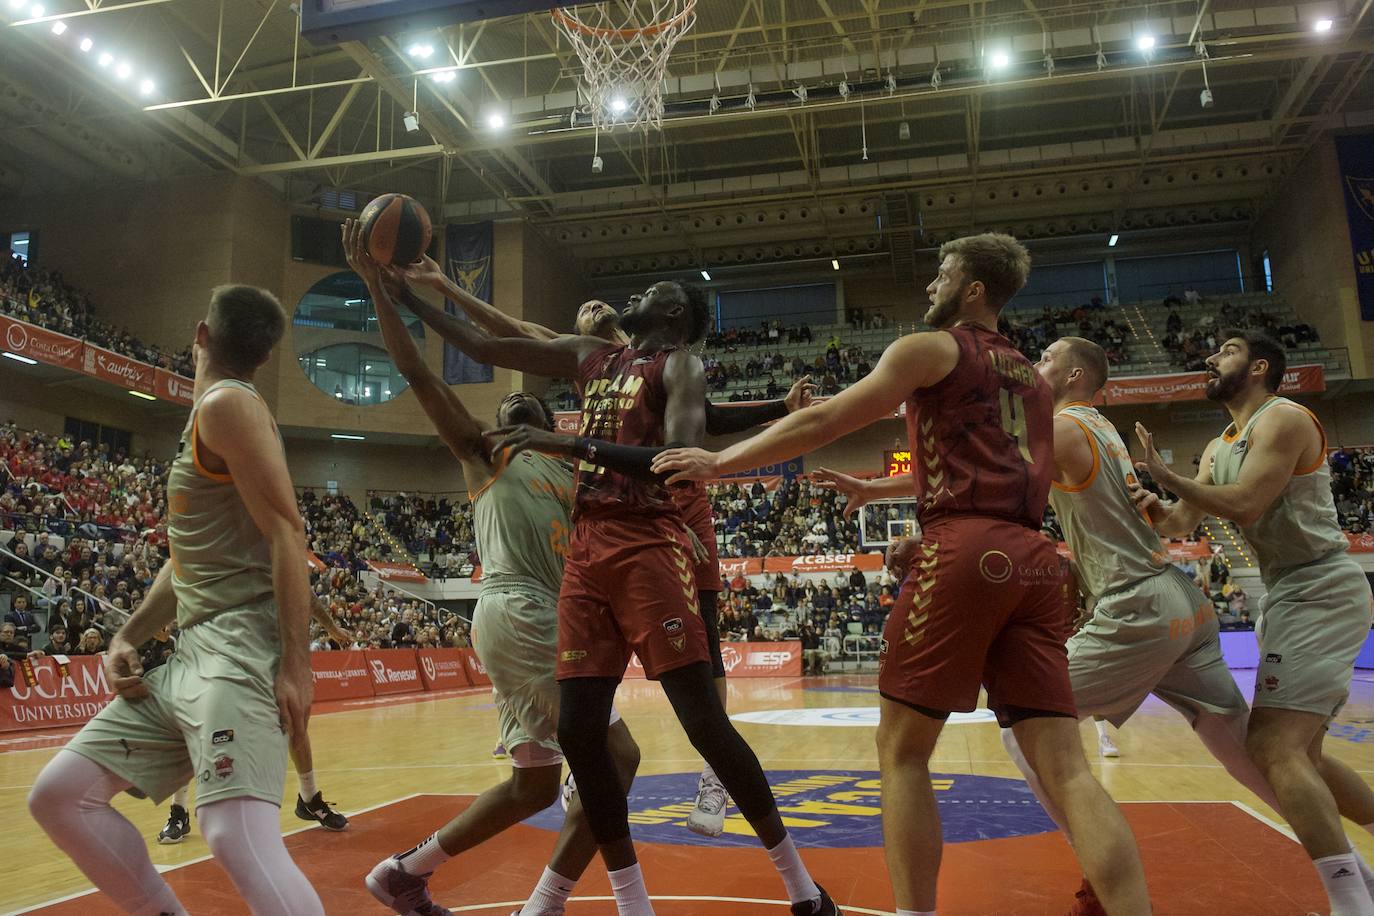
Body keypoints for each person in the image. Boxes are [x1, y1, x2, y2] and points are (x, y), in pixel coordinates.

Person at [653, 234, 1150, 916]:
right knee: (1067, 770)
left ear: (973, 289)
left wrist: (722, 461)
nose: (930, 287)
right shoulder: (1036, 385)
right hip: (1035, 559)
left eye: (942, 274)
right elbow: (1004, 470)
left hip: (963, 547)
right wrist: (880, 493)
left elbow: (827, 416)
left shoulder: (931, 348)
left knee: (903, 752)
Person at [401, 271, 838, 916]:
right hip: (586, 551)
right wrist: (397, 290)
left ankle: (802, 887)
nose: (637, 293)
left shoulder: (680, 363)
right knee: (579, 735)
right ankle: (634, 903)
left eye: (655, 289)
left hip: (647, 543)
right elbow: (487, 346)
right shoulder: (590, 356)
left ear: (677, 313)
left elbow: (682, 448)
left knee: (703, 721)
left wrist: (570, 442)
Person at [342, 224, 641, 916]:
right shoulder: (487, 453)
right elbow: (418, 375)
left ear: (548, 414)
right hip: (517, 607)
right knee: (617, 764)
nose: (510, 404)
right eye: (503, 405)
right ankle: (544, 905)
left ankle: (403, 873)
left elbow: (556, 350)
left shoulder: (576, 465)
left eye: (522, 402)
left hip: (540, 615)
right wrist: (382, 292)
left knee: (536, 787)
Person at [26, 285, 325, 916]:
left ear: (200, 335)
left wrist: (297, 663)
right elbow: (186, 559)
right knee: (60, 796)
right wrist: (128, 635)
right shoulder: (215, 415)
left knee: (232, 833)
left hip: (239, 647)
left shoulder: (224, 405)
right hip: (191, 652)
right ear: (266, 355)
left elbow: (288, 531)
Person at [1134, 331, 1374, 916]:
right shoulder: (1217, 447)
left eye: (1227, 350)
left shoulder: (1285, 417)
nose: (1211, 358)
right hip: (1285, 591)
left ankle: (1352, 901)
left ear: (1260, 366)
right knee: (1304, 759)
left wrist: (1168, 476)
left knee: (1271, 745)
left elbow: (1246, 505)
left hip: (1320, 584)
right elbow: (1178, 523)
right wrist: (1136, 496)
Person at [157, 598, 351, 845]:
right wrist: (159, 619)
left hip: (277, 655)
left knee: (296, 727)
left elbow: (307, 597)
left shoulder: (278, 564)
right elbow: (184, 584)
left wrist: (332, 628)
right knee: (196, 728)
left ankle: (309, 799)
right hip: (224, 655)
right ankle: (179, 810)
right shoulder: (218, 568)